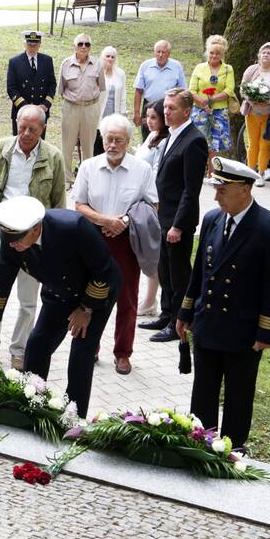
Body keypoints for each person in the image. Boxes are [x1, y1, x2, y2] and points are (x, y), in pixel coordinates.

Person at [176, 157, 270, 455]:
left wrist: (266, 333)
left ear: (244, 189)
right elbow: (200, 271)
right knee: (203, 391)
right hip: (208, 324)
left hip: (242, 332)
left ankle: (233, 450)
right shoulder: (213, 219)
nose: (216, 196)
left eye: (222, 189)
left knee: (239, 394)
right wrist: (186, 312)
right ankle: (200, 445)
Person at [0, 197, 120, 418]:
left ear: (36, 228)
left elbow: (104, 271)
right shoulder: (12, 238)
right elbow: (0, 283)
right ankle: (32, 403)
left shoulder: (72, 227)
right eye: (10, 240)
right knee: (37, 344)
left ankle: (73, 417)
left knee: (81, 354)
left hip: (96, 293)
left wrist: (86, 309)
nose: (13, 245)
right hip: (58, 293)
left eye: (18, 240)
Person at [0, 104, 67, 370]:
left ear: (43, 129)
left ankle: (20, 349)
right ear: (15, 123)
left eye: (32, 129)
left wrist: (53, 243)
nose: (25, 133)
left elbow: (59, 202)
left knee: (28, 299)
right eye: (22, 127)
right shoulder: (0, 149)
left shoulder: (53, 157)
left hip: (34, 237)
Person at [73, 114, 157, 375]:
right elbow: (78, 204)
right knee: (89, 295)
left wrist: (122, 220)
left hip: (126, 238)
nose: (112, 145)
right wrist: (104, 220)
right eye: (108, 139)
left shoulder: (142, 169)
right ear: (102, 138)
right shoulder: (88, 167)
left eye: (118, 140)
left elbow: (152, 204)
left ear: (128, 141)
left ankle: (123, 353)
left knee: (127, 298)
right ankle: (90, 347)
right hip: (93, 238)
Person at [139, 87, 207, 343]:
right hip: (163, 217)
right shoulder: (171, 135)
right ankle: (166, 313)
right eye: (165, 107)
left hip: (178, 222)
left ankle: (179, 320)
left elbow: (191, 190)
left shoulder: (194, 140)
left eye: (172, 108)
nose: (166, 112)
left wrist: (178, 226)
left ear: (187, 111)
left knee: (178, 274)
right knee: (164, 270)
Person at [135, 99, 169, 316]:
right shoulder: (150, 136)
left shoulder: (164, 141)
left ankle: (150, 301)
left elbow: (156, 172)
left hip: (151, 201)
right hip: (140, 198)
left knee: (152, 252)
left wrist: (152, 201)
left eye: (154, 117)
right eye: (147, 116)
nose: (149, 121)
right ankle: (147, 299)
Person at [57, 33, 105, 186]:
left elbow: (101, 86)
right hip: (71, 107)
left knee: (88, 146)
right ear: (74, 47)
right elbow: (61, 88)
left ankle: (86, 180)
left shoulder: (97, 64)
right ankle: (67, 180)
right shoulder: (66, 64)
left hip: (90, 108)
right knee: (67, 145)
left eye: (87, 44)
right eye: (80, 44)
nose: (84, 47)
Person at [240, 43, 270, 183]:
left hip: (269, 114)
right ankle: (250, 172)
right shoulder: (251, 69)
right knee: (253, 143)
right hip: (251, 112)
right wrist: (252, 99)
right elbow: (243, 88)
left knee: (265, 144)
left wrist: (267, 100)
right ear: (259, 55)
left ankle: (260, 173)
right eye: (263, 52)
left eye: (269, 53)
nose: (266, 55)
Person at [189, 34, 235, 163]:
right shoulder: (199, 68)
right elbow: (191, 90)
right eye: (211, 53)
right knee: (199, 140)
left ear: (222, 54)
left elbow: (229, 90)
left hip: (220, 111)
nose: (214, 56)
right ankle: (199, 169)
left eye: (217, 53)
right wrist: (202, 103)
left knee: (216, 143)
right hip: (199, 110)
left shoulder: (228, 69)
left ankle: (212, 172)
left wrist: (210, 100)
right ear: (207, 52)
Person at [132, 40, 187, 138]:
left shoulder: (176, 66)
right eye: (158, 52)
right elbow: (138, 90)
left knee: (167, 137)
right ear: (154, 52)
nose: (160, 55)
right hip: (149, 106)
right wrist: (136, 113)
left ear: (169, 54)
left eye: (163, 52)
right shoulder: (145, 65)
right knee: (148, 136)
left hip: (169, 107)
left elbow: (183, 91)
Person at [6, 30, 55, 137]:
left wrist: (45, 105)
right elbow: (11, 88)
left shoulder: (47, 61)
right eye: (29, 44)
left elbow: (52, 85)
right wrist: (25, 106)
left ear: (40, 45)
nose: (32, 46)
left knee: (39, 144)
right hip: (21, 111)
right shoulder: (14, 62)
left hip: (41, 112)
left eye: (35, 44)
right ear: (25, 44)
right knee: (21, 142)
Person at [94, 45, 127, 156]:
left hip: (114, 114)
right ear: (102, 57)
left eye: (113, 57)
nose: (110, 59)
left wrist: (123, 115)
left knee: (110, 141)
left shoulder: (120, 74)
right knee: (97, 142)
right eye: (107, 56)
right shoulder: (96, 72)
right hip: (98, 114)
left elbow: (123, 96)